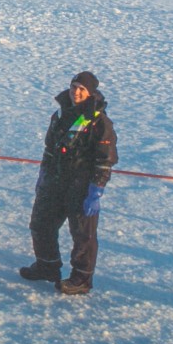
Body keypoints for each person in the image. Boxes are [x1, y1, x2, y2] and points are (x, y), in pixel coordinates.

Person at [20, 71, 117, 296]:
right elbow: (50, 148)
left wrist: (96, 190)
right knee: (41, 223)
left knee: (83, 234)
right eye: (74, 87)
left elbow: (105, 159)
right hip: (55, 180)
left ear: (91, 93)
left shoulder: (99, 121)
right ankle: (47, 265)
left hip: (81, 185)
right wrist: (44, 173)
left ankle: (81, 279)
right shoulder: (61, 113)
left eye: (82, 89)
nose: (76, 92)